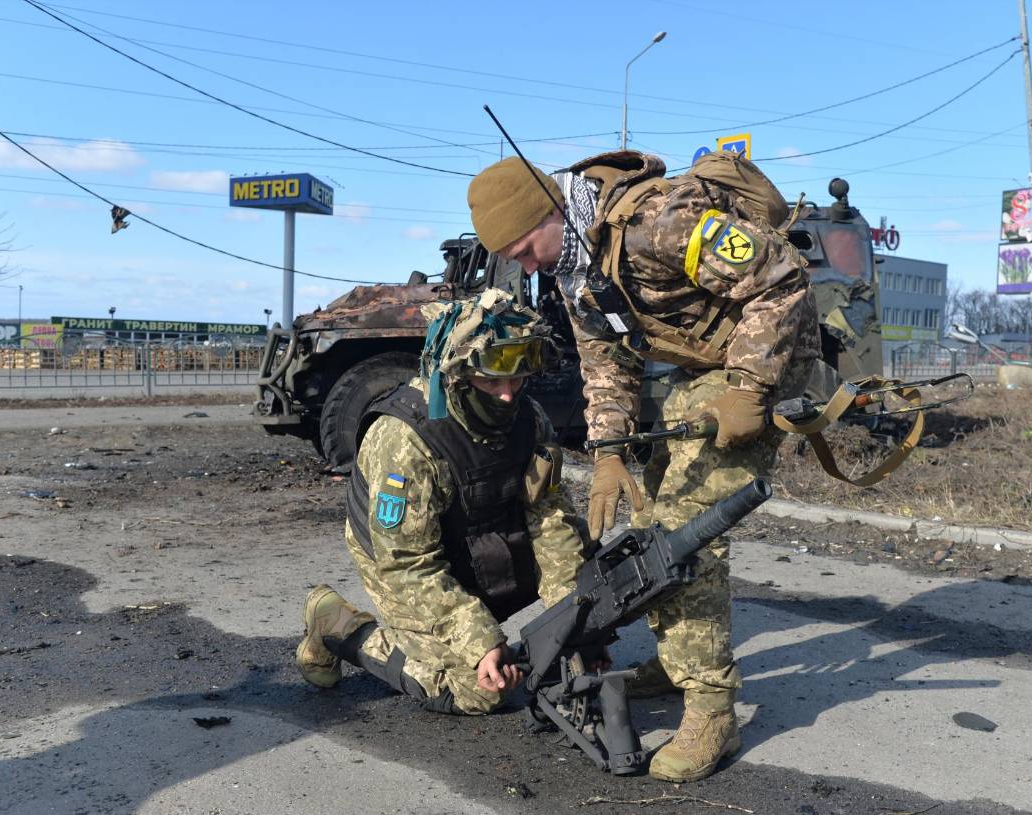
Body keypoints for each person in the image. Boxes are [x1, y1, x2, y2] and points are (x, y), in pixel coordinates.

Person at [466, 151, 820, 782]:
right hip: (697, 372)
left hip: (766, 358)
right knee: (649, 518)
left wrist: (750, 386)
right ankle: (677, 656)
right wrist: (607, 451)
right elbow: (605, 361)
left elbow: (781, 279)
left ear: (551, 212)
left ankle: (712, 709)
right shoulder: (573, 266)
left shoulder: (660, 220)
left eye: (525, 248)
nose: (526, 266)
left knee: (687, 533)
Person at [295, 288, 588, 715]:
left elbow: (551, 521)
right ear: (456, 375)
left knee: (596, 568)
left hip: (474, 539)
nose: (508, 394)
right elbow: (407, 565)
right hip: (398, 559)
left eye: (518, 377)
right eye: (492, 380)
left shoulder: (529, 418)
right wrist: (480, 640)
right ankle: (336, 624)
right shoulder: (406, 440)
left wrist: (574, 621)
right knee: (477, 690)